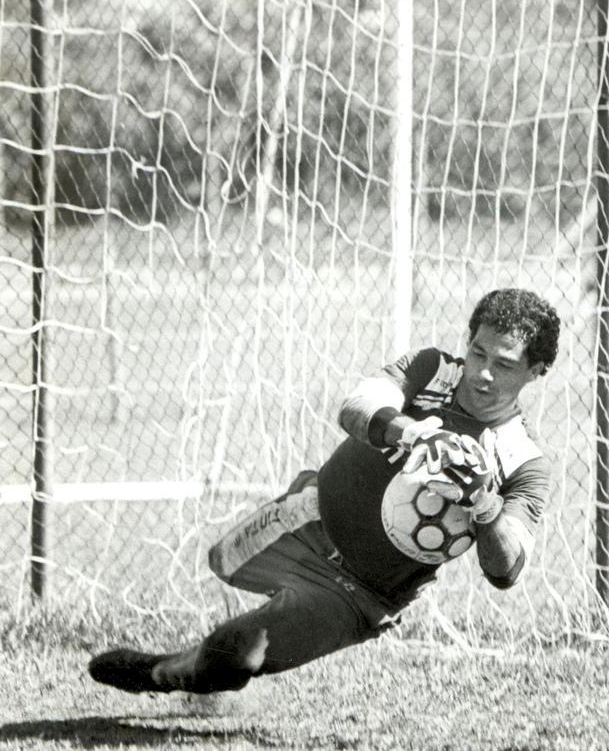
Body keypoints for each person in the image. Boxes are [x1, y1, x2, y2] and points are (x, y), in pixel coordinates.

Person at [88, 288, 560, 694]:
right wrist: (413, 434)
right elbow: (356, 407)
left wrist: (482, 501)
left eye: (504, 364)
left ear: (536, 370)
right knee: (218, 559)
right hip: (307, 518)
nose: (483, 373)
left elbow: (507, 570)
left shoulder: (522, 461)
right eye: (478, 353)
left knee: (235, 657)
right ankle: (231, 635)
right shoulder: (432, 368)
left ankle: (162, 671)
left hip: (356, 595)